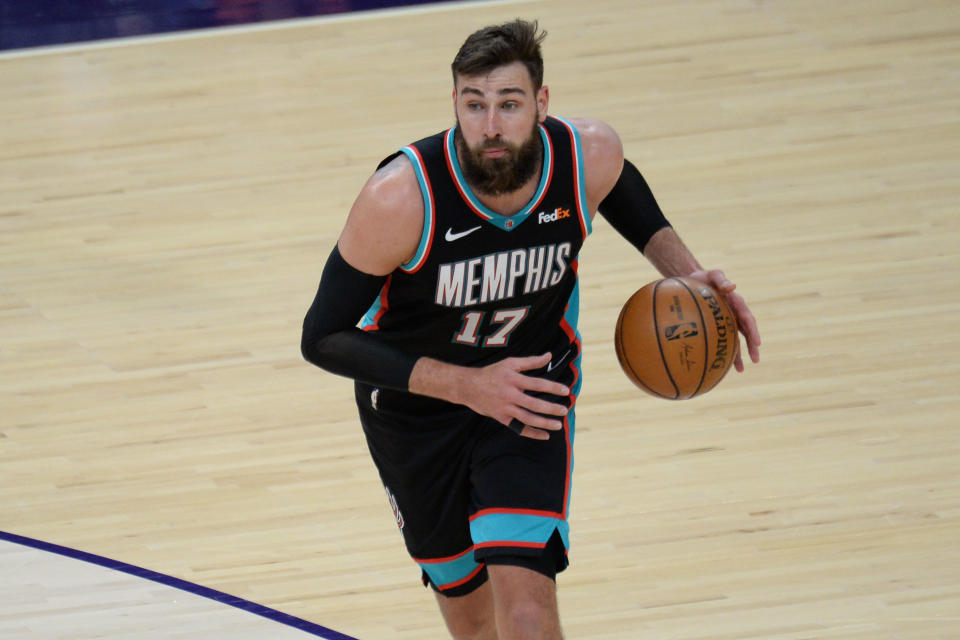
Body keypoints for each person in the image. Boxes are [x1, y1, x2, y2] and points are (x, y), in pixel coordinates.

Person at [301, 18, 761, 640]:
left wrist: (691, 277)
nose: (491, 125)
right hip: (415, 414)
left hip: (529, 397)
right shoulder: (401, 198)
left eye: (509, 104)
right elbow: (322, 336)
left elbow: (616, 180)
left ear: (542, 105)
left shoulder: (584, 154)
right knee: (473, 624)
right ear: (455, 104)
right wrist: (467, 386)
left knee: (525, 613)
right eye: (475, 104)